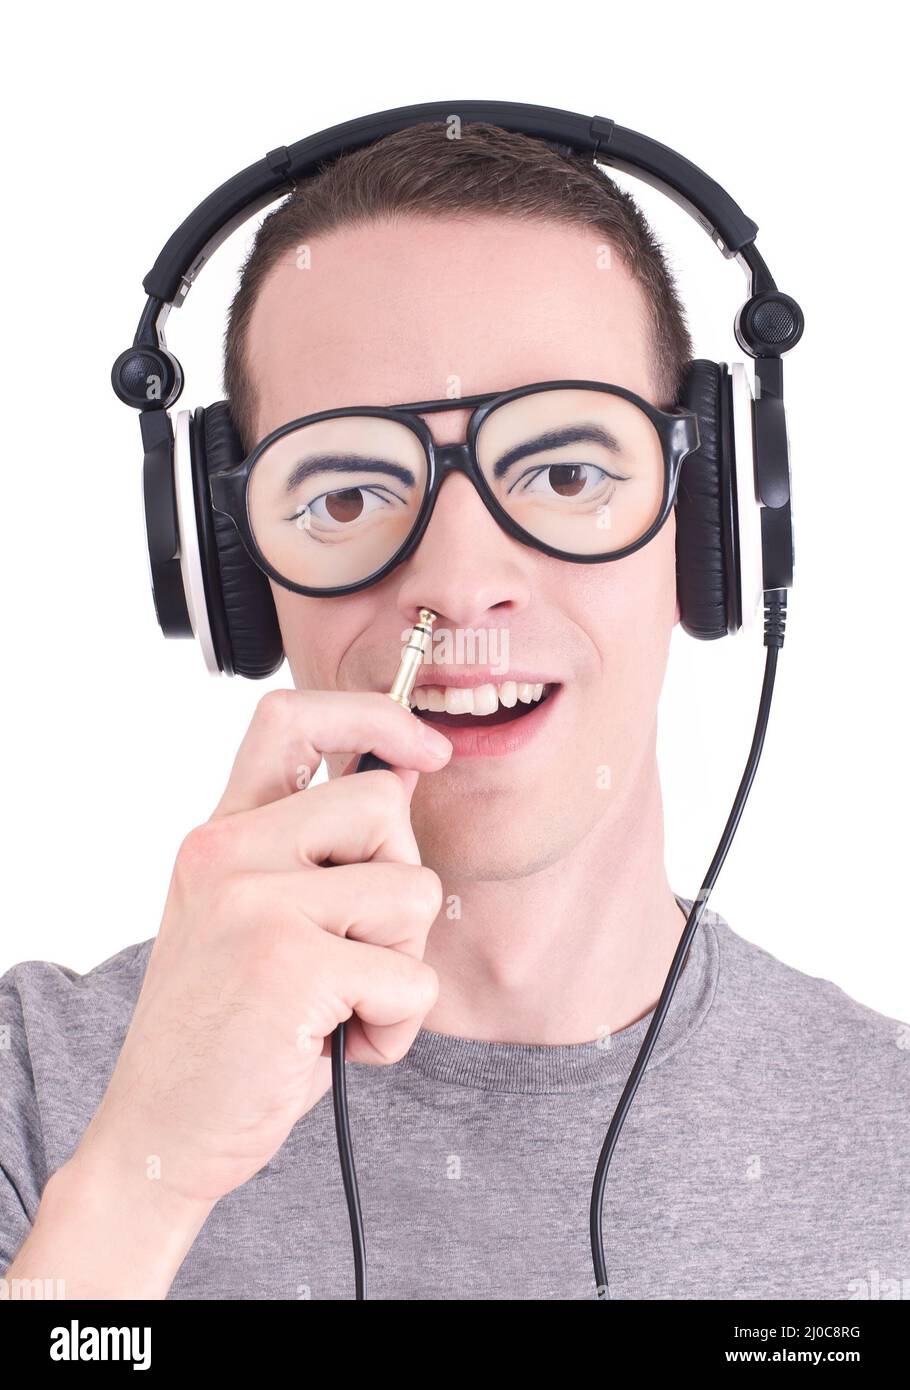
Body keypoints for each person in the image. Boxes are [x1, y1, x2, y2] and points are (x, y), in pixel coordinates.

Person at [2, 123, 907, 1302]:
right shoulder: (36, 1095)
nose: (457, 577)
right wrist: (139, 1183)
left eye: (566, 472)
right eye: (348, 489)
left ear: (701, 530)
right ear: (237, 580)